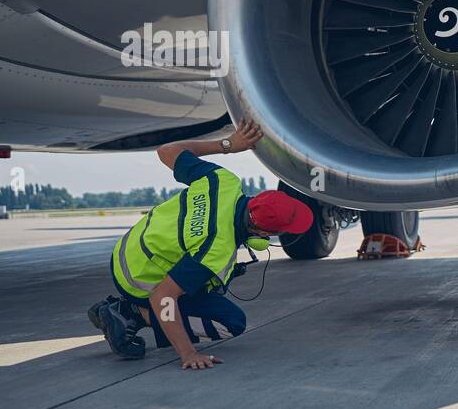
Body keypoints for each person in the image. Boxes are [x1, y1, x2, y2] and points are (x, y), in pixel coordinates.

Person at [88, 120, 314, 371]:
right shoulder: (215, 248)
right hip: (137, 277)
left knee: (208, 285)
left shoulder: (222, 181)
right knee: (231, 323)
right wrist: (188, 353)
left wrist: (228, 144)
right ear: (261, 233)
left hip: (129, 248)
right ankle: (127, 312)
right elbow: (163, 297)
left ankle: (132, 309)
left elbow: (167, 151)